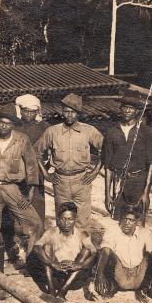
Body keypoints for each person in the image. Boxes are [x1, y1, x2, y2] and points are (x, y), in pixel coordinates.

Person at [0, 103, 44, 285]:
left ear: (13, 124)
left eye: (8, 123)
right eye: (1, 122)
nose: (4, 126)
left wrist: (29, 192)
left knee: (34, 223)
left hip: (12, 187)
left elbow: (31, 166)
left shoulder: (22, 140)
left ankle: (31, 263)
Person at [36, 93, 104, 231]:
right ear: (62, 112)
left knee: (83, 220)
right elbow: (35, 152)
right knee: (63, 220)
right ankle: (64, 250)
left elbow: (107, 150)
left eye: (73, 112)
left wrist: (95, 172)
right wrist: (46, 174)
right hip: (61, 181)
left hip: (82, 180)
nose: (69, 115)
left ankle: (82, 250)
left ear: (78, 113)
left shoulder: (89, 131)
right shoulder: (52, 131)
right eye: (66, 111)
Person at [102, 91, 152, 224]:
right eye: (124, 107)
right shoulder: (111, 132)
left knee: (137, 223)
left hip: (138, 182)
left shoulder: (146, 132)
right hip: (119, 183)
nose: (127, 111)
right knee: (118, 222)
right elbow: (108, 166)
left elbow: (151, 163)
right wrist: (107, 194)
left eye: (131, 108)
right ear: (120, 110)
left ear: (137, 111)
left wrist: (146, 193)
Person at [27, 202, 97, 300]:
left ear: (75, 219)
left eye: (70, 219)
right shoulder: (51, 232)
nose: (66, 223)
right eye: (63, 219)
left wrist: (80, 265)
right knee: (46, 247)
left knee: (87, 251)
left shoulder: (82, 234)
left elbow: (94, 253)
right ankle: (51, 292)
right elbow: (37, 247)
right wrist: (52, 263)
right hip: (54, 275)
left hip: (73, 277)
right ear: (58, 219)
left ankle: (62, 292)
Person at [95, 207, 152, 303]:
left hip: (138, 272)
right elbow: (105, 252)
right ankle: (111, 287)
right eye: (124, 219)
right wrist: (99, 275)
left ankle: (151, 291)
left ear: (137, 222)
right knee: (106, 250)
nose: (127, 223)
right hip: (120, 272)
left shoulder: (145, 232)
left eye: (131, 220)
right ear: (120, 219)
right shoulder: (112, 230)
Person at [15, 94, 49, 223]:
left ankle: (38, 229)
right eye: (26, 111)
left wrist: (47, 167)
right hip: (17, 169)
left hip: (37, 170)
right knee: (18, 198)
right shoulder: (14, 126)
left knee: (36, 199)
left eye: (32, 111)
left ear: (37, 112)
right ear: (21, 111)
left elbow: (51, 148)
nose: (28, 114)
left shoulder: (45, 127)